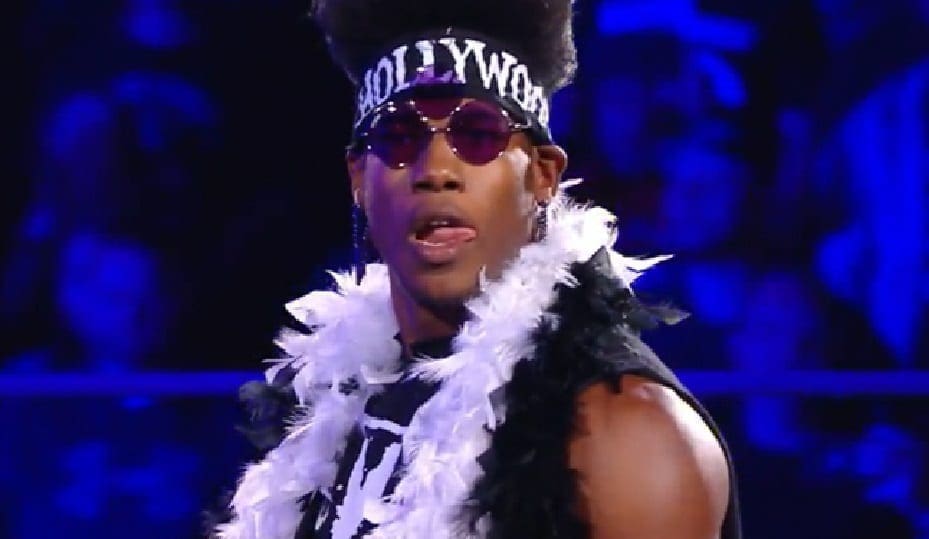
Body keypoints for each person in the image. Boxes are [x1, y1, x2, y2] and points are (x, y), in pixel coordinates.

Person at [214, 1, 741, 538]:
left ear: (543, 175)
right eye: (399, 137)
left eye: (478, 135)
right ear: (359, 179)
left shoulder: (627, 436)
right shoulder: (324, 411)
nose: (436, 170)